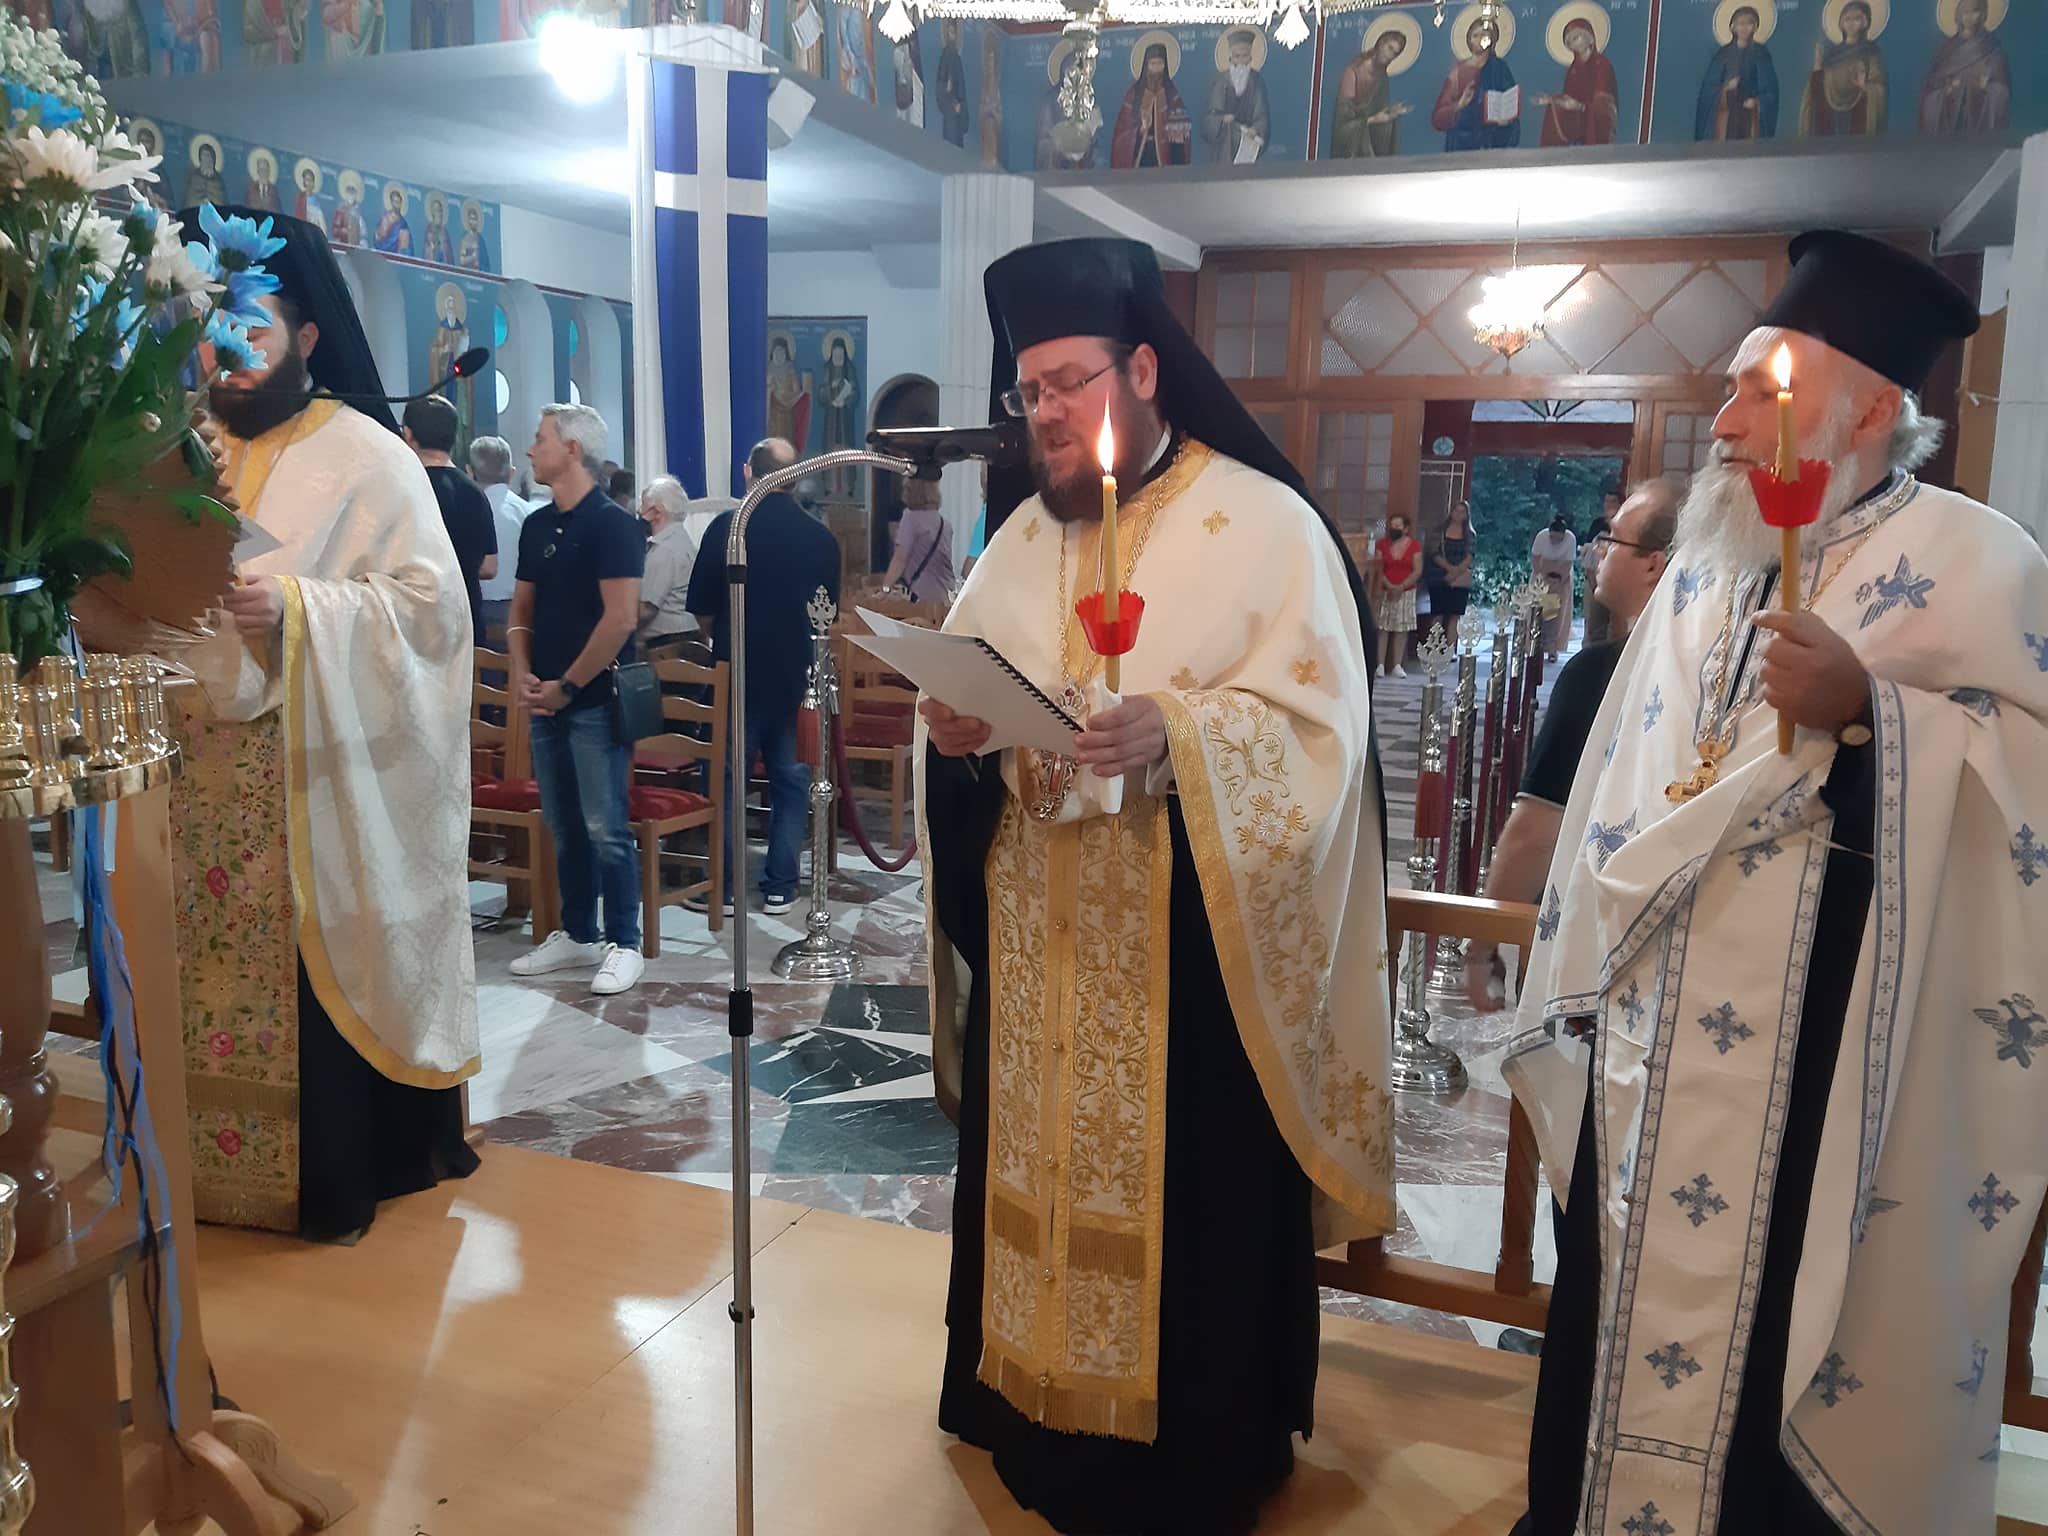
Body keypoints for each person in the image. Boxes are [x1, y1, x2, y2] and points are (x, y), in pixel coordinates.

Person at [1503, 230, 2046, 1536]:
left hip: (1827, 1069)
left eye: (1764, 390)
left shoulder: (1980, 565)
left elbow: (2027, 806)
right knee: (1611, 1312)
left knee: (1778, 1365)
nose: (1725, 419)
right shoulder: (1703, 559)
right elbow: (1623, 777)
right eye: (1731, 387)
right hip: (1644, 1052)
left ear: (1865, 412)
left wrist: (1871, 719)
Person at [918, 237, 1392, 1535]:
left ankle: (1190, 1458)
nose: (1045, 412)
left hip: (1188, 970)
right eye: (1028, 392)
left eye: (1067, 381)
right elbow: (975, 689)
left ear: (1140, 369)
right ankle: (1025, 1404)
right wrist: (956, 739)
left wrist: (1177, 738)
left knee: (1191, 1214)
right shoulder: (1023, 536)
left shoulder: (1264, 524)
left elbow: (1321, 738)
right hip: (1041, 955)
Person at [126, 207, 479, 1241]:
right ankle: (197, 1171)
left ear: (308, 337)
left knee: (301, 975)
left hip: (314, 782)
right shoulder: (180, 450)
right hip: (191, 775)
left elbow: (433, 612)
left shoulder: (364, 454)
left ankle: (324, 1176)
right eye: (215, 333)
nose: (230, 355)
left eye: (254, 330)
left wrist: (297, 609)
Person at [1462, 476, 1679, 1012]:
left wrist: (1481, 944)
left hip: (1592, 941)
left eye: (1612, 539)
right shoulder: (1702, 671)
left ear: (1653, 564)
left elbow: (1537, 831)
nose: (1597, 551)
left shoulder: (1598, 674)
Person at [505, 405, 647, 995]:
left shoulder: (613, 525)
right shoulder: (537, 525)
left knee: (604, 825)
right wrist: (522, 672)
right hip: (545, 699)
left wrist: (566, 687)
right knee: (563, 824)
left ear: (571, 450)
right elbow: (521, 610)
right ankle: (579, 933)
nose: (530, 449)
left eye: (540, 439)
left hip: (593, 701)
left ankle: (625, 942)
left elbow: (621, 619)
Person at [686, 438, 841, 918]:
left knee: (728, 779)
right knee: (791, 782)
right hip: (797, 677)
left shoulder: (728, 527)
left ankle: (727, 888)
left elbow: (702, 610)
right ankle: (780, 886)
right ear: (795, 478)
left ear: (748, 471)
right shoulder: (820, 537)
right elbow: (827, 616)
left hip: (738, 674)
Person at [402, 395, 496, 646]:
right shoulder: (475, 492)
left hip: (418, 626)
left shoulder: (405, 489)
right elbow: (489, 566)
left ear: (407, 434)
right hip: (467, 620)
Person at [469, 434, 531, 643]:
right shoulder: (528, 513)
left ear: (469, 472)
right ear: (511, 473)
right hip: (520, 611)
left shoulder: (467, 509)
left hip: (477, 608)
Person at [1919, 0, 2009, 136]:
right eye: (1965, 12)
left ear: (1983, 13)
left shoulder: (1991, 48)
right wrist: (1948, 91)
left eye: (1975, 11)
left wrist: (1984, 86)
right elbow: (1929, 94)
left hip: (1980, 129)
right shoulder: (1946, 50)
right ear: (1957, 15)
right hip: (1949, 126)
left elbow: (2002, 92)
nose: (1969, 17)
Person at [1433, 13, 1520, 151]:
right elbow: (1438, 117)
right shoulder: (1458, 72)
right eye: (1475, 35)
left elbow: (1509, 100)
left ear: (1492, 40)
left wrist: (1505, 119)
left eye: (1484, 35)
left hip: (1492, 140)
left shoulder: (1499, 68)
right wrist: (1460, 104)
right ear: (1469, 40)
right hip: (1462, 143)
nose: (1479, 39)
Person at [1800, 0, 1886, 137]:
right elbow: (1817, 91)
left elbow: (1879, 88)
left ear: (1865, 22)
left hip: (1859, 114)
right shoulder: (1832, 55)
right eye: (1847, 19)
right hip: (1830, 117)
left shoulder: (1870, 52)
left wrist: (1865, 87)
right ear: (1841, 23)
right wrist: (1818, 66)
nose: (1851, 23)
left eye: (1857, 18)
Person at [1695, 4, 1778, 141]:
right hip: (1726, 118)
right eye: (1740, 23)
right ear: (1732, 27)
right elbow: (1708, 90)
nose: (1744, 28)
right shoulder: (1723, 55)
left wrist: (1757, 101)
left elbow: (1770, 89)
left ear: (1756, 26)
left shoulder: (1761, 54)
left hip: (1750, 118)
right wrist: (1725, 89)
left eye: (1749, 23)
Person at [1331, 23, 1411, 159]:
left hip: (1368, 133)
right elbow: (1342, 127)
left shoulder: (1381, 76)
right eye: (1389, 48)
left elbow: (1378, 109)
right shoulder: (1353, 73)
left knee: (1389, 124)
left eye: (1395, 53)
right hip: (1350, 141)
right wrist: (1373, 119)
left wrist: (1390, 111)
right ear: (1380, 44)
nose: (1390, 55)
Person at [1537, 15, 1618, 146]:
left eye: (1575, 38)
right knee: (1553, 108)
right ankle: (1552, 154)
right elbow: (1568, 96)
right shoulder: (1573, 70)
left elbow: (1604, 103)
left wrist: (1580, 106)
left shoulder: (1601, 64)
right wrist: (1552, 100)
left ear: (1589, 38)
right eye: (1569, 43)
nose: (1573, 45)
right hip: (1578, 117)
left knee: (1597, 111)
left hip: (1597, 119)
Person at [637, 475, 698, 648]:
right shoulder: (683, 542)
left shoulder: (664, 550)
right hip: (684, 640)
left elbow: (645, 610)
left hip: (665, 647)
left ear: (656, 512)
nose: (639, 511)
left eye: (642, 505)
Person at [1110, 42, 1193, 169]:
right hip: (1140, 155)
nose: (1156, 68)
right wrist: (1141, 128)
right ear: (1146, 66)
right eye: (1153, 64)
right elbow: (1122, 132)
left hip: (1165, 157)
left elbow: (1182, 135)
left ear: (1165, 66)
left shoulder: (1172, 94)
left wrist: (1174, 130)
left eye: (1160, 64)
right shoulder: (1134, 95)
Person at [877, 475, 954, 603]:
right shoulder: (945, 524)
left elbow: (899, 559)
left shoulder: (910, 518)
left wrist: (885, 589)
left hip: (922, 597)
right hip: (947, 595)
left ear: (911, 490)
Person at [1204, 29, 1270, 164]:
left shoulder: (1256, 81)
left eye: (1244, 56)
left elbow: (1262, 115)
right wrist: (1222, 120)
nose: (1240, 61)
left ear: (1250, 57)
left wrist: (1256, 129)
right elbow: (1210, 117)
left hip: (1248, 144)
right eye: (1237, 56)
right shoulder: (1221, 81)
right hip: (1225, 146)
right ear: (1230, 58)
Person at [1374, 511, 1421, 677]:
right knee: (1383, 628)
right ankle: (1380, 664)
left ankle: (1397, 665)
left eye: (1398, 526)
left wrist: (1401, 586)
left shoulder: (1414, 546)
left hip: (1406, 592)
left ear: (1405, 528)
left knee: (1401, 629)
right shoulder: (1381, 544)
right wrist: (1389, 585)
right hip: (1385, 591)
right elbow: (1378, 567)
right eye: (1392, 526)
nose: (1394, 528)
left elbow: (1417, 570)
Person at [1425, 498, 1476, 645]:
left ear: (1467, 515)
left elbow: (1470, 555)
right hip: (1438, 576)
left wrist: (1456, 572)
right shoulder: (1439, 531)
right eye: (1456, 511)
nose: (1459, 514)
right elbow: (1433, 553)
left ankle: (1450, 649)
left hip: (1460, 579)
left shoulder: (1469, 534)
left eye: (1462, 512)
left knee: (1454, 615)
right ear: (1451, 512)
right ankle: (1434, 646)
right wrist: (1449, 568)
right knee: (1438, 614)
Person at [1529, 512, 1577, 660]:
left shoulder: (1570, 539)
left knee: (1555, 615)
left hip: (1561, 577)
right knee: (1537, 613)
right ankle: (1534, 647)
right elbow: (1535, 561)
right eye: (1553, 537)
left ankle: (1552, 648)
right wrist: (1543, 579)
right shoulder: (1541, 537)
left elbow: (1567, 564)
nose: (1555, 541)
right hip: (1541, 575)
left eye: (1558, 538)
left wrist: (1557, 583)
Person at [1581, 492, 1619, 644]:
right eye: (1607, 501)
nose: (1609, 505)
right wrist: (1594, 586)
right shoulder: (1597, 525)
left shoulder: (1623, 526)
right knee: (1593, 624)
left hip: (1616, 583)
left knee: (1613, 627)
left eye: (1613, 501)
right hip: (1594, 579)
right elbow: (1589, 555)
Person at [936, 17, 968, 147]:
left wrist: (961, 106)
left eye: (954, 33)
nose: (952, 37)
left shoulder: (957, 58)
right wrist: (946, 88)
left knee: (958, 142)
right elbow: (940, 84)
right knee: (950, 143)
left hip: (957, 111)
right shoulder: (945, 56)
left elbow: (962, 88)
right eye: (949, 33)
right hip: (949, 111)